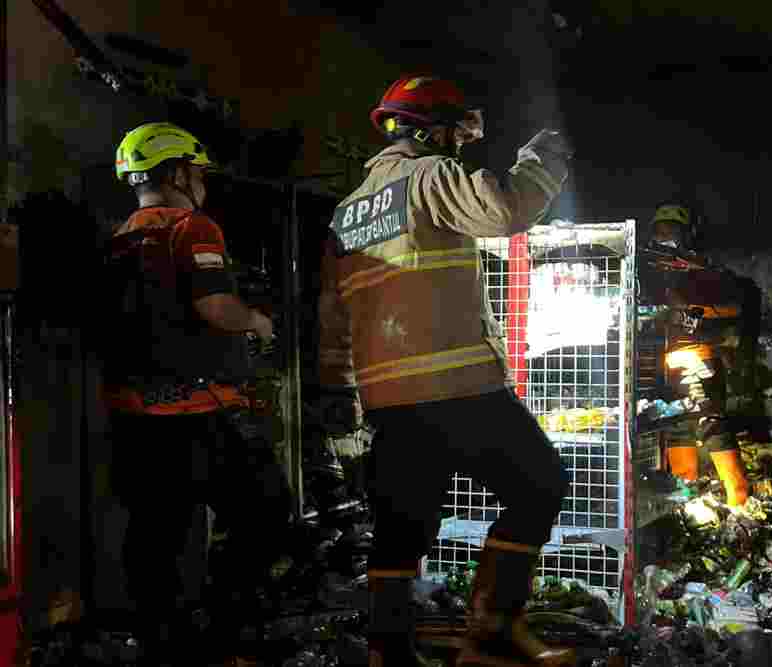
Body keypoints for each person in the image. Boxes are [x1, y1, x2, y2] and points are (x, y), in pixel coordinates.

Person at [316, 75, 576, 667]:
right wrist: (544, 159)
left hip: (388, 398)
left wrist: (336, 387)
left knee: (404, 523)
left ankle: (389, 652)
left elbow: (331, 314)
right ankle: (491, 631)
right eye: (456, 134)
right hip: (458, 385)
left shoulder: (346, 213)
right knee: (539, 486)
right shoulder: (428, 176)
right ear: (432, 131)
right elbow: (504, 209)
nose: (459, 147)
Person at [101, 122, 292, 662]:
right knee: (267, 512)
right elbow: (215, 307)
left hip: (134, 421)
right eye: (199, 172)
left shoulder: (119, 240)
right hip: (199, 417)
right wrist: (257, 321)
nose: (202, 183)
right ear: (178, 172)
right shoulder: (192, 227)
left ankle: (168, 648)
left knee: (156, 540)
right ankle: (227, 631)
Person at [642, 203, 750, 507]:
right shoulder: (652, 271)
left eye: (671, 230)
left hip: (696, 357)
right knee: (678, 429)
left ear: (686, 233)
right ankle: (688, 507)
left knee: (711, 424)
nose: (664, 236)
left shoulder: (702, 269)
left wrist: (692, 313)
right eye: (660, 230)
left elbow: (733, 310)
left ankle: (739, 499)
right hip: (663, 364)